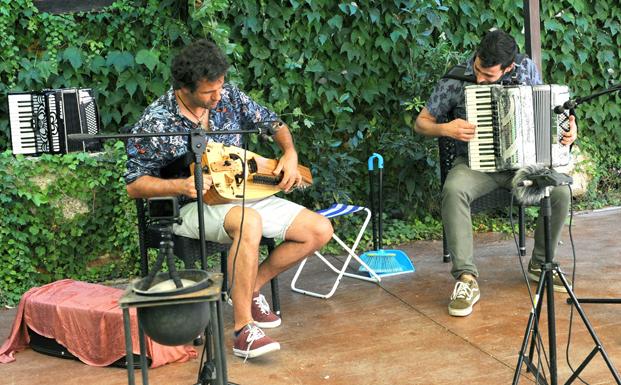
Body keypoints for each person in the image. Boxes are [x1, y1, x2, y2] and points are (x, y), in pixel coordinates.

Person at [124, 39, 333, 358]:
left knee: (319, 230)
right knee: (249, 222)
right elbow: (134, 183)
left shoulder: (230, 97)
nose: (218, 96)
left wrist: (289, 153)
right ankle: (243, 330)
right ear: (185, 87)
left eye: (220, 86)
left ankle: (246, 289)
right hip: (193, 205)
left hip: (246, 192)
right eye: (210, 91)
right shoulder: (157, 122)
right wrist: (180, 186)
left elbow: (274, 123)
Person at [414, 29, 577, 317]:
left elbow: (548, 114)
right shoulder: (456, 77)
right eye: (478, 69)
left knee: (561, 190)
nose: (479, 79)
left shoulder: (526, 70)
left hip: (525, 164)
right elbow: (421, 122)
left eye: (488, 77)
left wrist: (568, 130)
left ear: (509, 68)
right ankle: (466, 278)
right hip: (477, 165)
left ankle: (541, 263)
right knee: (454, 190)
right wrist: (445, 128)